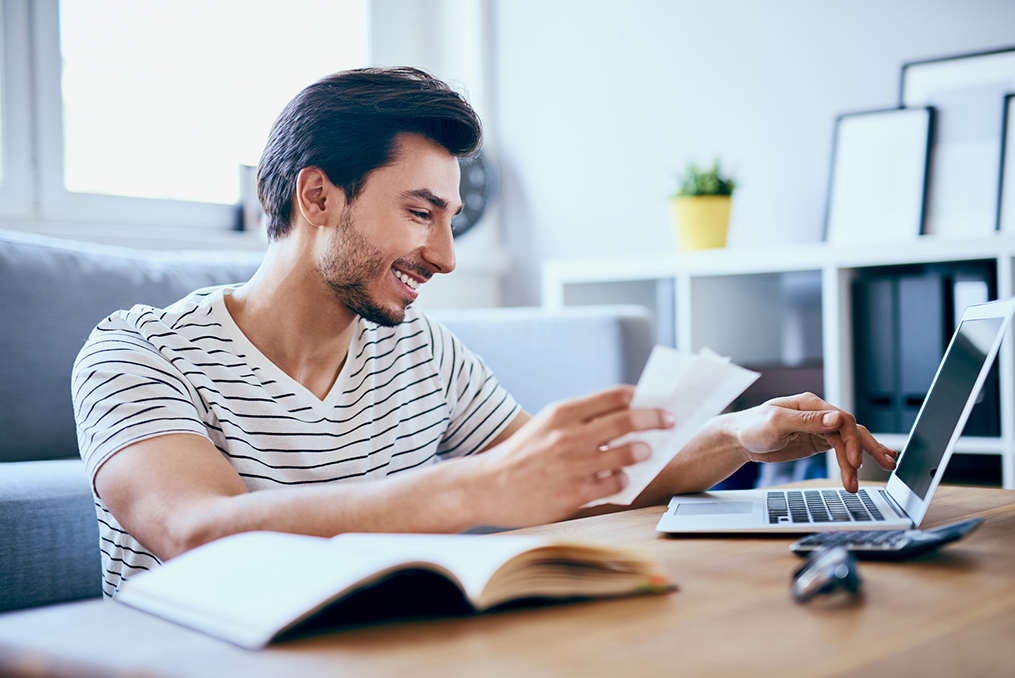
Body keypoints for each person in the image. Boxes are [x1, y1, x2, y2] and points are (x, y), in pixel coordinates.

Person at [72, 67, 897, 597]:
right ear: (316, 196)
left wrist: (739, 436)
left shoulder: (420, 350)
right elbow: (191, 531)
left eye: (452, 219)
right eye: (420, 213)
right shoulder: (138, 351)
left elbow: (572, 479)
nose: (445, 256)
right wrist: (473, 488)